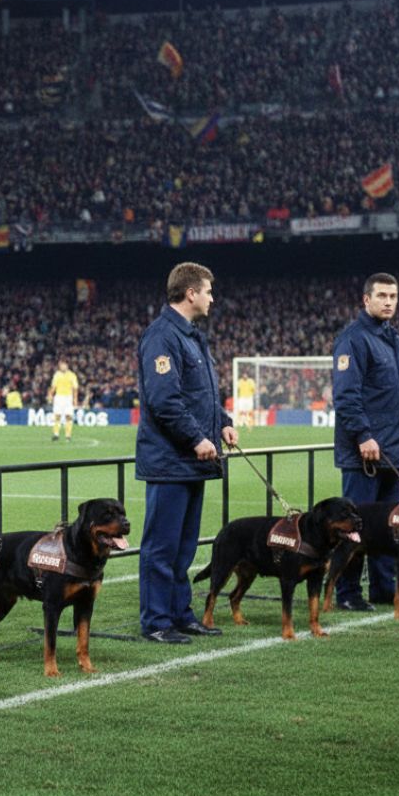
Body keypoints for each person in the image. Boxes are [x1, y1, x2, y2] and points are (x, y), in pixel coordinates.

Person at [135, 262, 239, 644]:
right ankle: (156, 621)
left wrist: (223, 421)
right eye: (209, 291)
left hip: (192, 461)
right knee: (161, 548)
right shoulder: (162, 336)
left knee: (184, 547)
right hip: (170, 461)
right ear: (191, 293)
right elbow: (165, 401)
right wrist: (197, 439)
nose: (212, 297)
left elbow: (203, 394)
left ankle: (180, 614)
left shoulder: (193, 336)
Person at [332, 272, 399, 611]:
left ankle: (383, 587)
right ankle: (348, 592)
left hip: (393, 453)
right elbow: (346, 395)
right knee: (355, 526)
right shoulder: (352, 339)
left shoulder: (394, 339)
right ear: (366, 300)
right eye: (382, 296)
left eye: (393, 296)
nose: (388, 302)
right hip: (363, 454)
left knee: (389, 527)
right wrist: (363, 434)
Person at [48, 358, 79, 441]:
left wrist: (75, 399)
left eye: (64, 364)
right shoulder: (57, 375)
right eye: (61, 365)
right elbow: (53, 387)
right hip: (58, 397)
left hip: (68, 398)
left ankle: (68, 436)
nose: (62, 366)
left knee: (68, 416)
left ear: (67, 365)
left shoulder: (72, 375)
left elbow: (75, 388)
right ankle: (56, 434)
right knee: (57, 415)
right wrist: (50, 395)